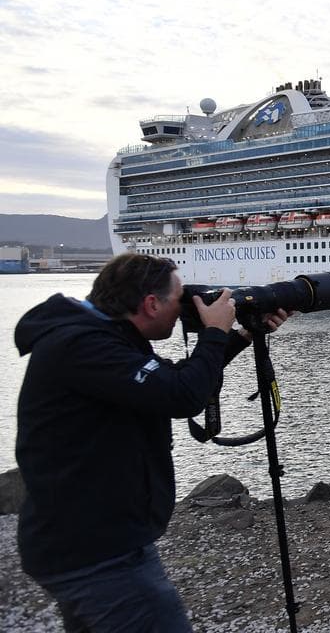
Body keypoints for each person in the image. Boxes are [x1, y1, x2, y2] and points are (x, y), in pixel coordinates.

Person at [14, 253, 289, 632]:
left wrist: (242, 335)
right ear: (150, 303)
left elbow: (168, 382)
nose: (184, 309)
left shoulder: (99, 338)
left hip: (87, 541)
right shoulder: (82, 346)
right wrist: (213, 332)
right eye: (179, 299)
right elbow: (180, 395)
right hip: (99, 553)